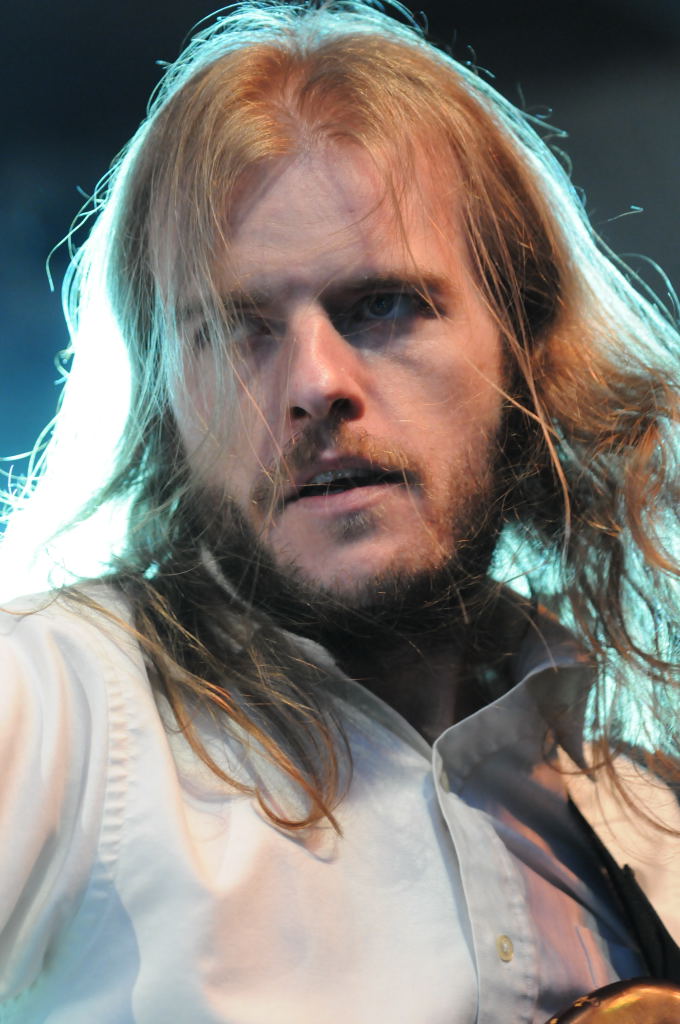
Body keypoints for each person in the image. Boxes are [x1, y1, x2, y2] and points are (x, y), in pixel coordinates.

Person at [0, 2, 678, 1021]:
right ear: (165, 405)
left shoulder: (641, 817)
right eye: (240, 328)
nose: (315, 383)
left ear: (525, 346)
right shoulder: (57, 703)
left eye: (382, 306)